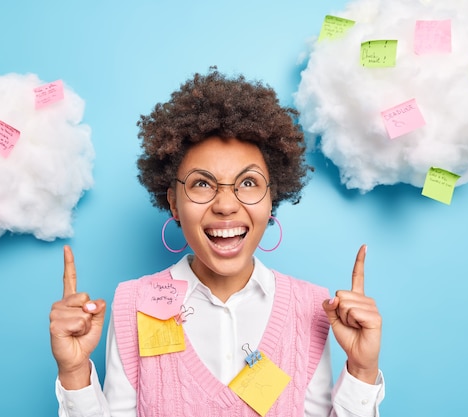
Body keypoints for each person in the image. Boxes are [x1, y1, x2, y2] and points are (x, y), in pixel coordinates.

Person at [50, 68, 385, 416]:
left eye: (249, 183)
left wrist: (362, 371)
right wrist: (74, 374)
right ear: (173, 203)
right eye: (202, 184)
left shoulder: (312, 307)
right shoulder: (134, 302)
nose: (226, 205)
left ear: (273, 198)